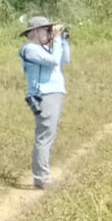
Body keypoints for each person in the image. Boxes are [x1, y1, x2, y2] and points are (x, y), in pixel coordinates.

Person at [19, 16, 72, 189]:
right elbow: (53, 62)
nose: (49, 33)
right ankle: (41, 178)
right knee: (44, 137)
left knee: (48, 136)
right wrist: (56, 41)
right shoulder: (30, 49)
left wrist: (62, 41)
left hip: (53, 94)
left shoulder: (44, 49)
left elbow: (65, 60)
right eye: (46, 30)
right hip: (44, 95)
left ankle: (42, 175)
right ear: (34, 32)